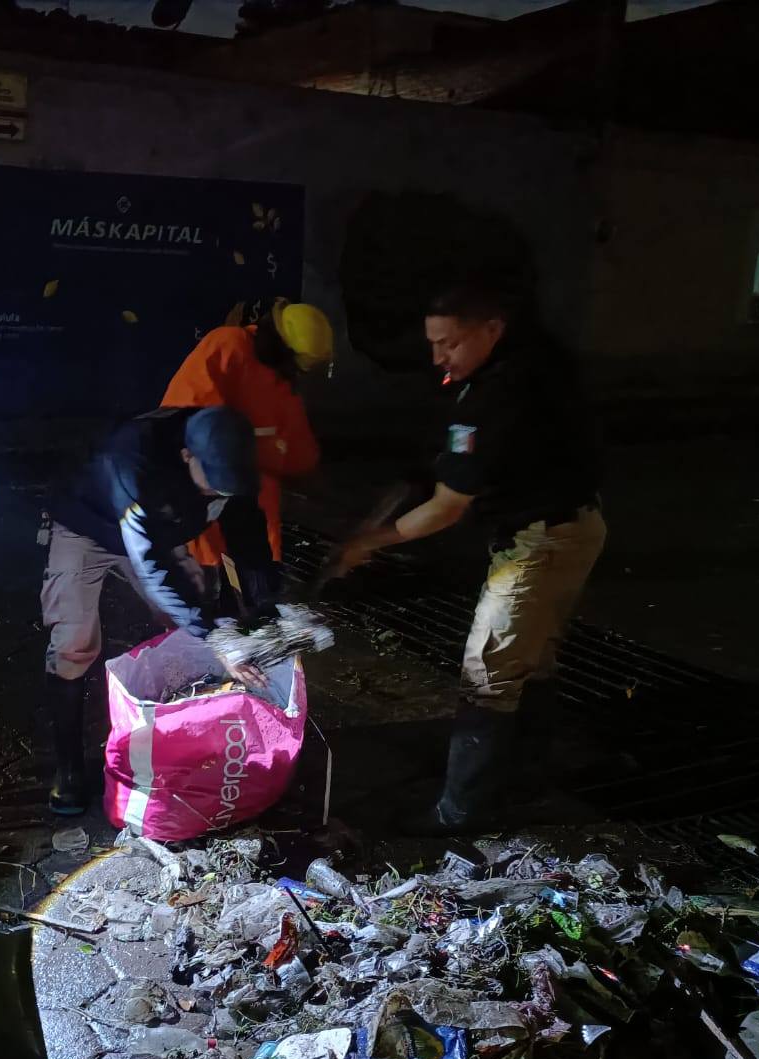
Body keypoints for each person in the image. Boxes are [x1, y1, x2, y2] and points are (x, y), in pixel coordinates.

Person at [338, 277, 604, 833]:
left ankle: (460, 811)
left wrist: (370, 542)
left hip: (542, 540)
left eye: (450, 343)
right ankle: (527, 779)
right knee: (533, 658)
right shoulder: (526, 364)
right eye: (433, 344)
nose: (439, 357)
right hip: (574, 525)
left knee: (488, 672)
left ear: (492, 329)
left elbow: (447, 508)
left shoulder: (497, 394)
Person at [42, 406, 279, 816]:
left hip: (161, 531)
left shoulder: (227, 458)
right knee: (73, 642)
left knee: (187, 628)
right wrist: (217, 636)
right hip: (88, 528)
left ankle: (187, 742)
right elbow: (152, 564)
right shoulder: (133, 460)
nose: (217, 496)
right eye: (212, 487)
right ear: (187, 456)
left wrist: (265, 608)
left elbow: (248, 537)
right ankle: (68, 766)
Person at [158, 300, 331, 573]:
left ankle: (253, 588)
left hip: (249, 493)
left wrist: (317, 485)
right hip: (201, 477)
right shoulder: (228, 345)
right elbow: (190, 417)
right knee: (203, 562)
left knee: (257, 564)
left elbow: (299, 454)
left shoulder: (282, 387)